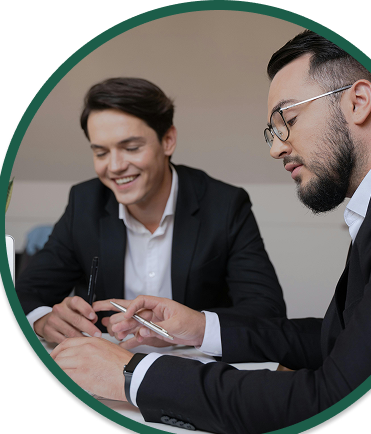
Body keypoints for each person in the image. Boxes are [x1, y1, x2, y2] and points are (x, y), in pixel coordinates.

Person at [51, 30, 371, 434]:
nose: (276, 148)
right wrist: (202, 328)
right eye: (273, 131)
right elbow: (336, 339)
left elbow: (335, 399)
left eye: (288, 121)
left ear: (358, 101)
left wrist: (132, 375)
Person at [16, 77, 286, 346]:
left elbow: (267, 311)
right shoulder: (84, 203)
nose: (115, 166)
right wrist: (42, 320)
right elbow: (25, 293)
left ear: (168, 140)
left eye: (131, 148)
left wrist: (192, 329)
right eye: (101, 153)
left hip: (195, 366)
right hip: (108, 362)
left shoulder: (225, 205)